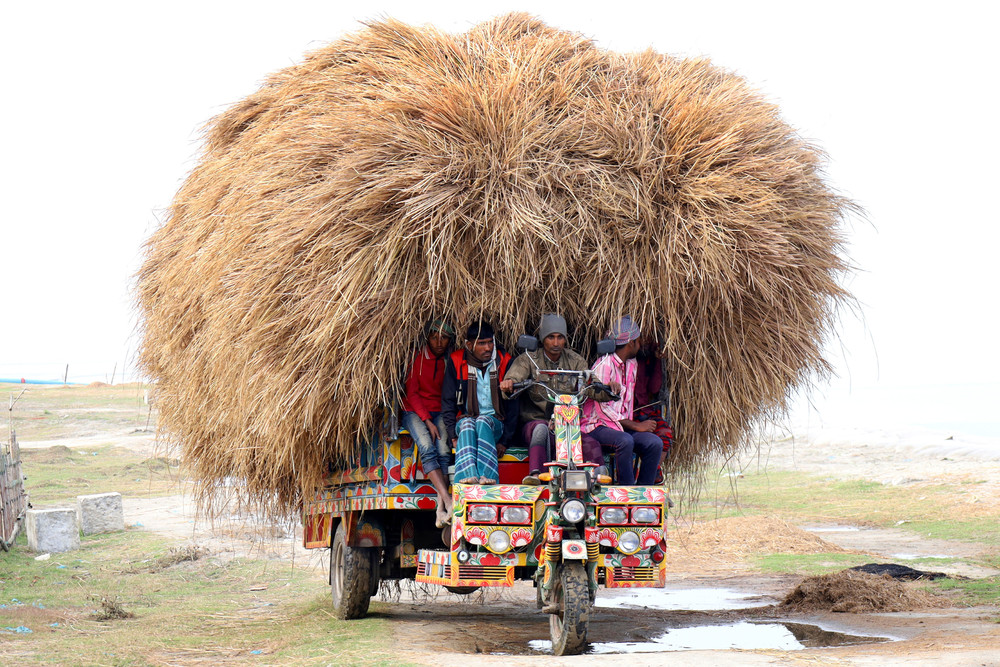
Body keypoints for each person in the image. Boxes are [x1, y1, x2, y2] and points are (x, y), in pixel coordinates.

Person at [499, 313, 609, 484]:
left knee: (591, 443)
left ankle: (599, 482)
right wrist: (509, 383)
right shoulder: (529, 359)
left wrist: (607, 388)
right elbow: (513, 379)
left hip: (567, 427)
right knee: (540, 430)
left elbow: (593, 387)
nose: (556, 343)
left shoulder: (575, 361)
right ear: (543, 339)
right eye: (551, 337)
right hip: (534, 424)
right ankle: (535, 475)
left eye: (560, 337)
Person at [580, 316, 661, 485]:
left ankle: (643, 490)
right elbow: (602, 410)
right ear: (631, 343)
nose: (640, 344)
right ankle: (626, 490)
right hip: (596, 426)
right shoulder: (604, 364)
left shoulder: (632, 364)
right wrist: (636, 426)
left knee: (654, 443)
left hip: (620, 427)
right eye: (638, 340)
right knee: (625, 440)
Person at [441, 321, 518, 484]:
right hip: (466, 422)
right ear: (469, 345)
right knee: (468, 423)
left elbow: (514, 405)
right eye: (481, 343)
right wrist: (453, 435)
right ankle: (467, 477)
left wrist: (505, 441)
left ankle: (488, 477)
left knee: (483, 420)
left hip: (495, 423)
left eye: (490, 342)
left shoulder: (504, 361)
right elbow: (448, 401)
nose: (488, 348)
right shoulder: (457, 361)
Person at [401, 319, 456, 528]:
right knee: (426, 446)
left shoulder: (449, 360)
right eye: (434, 337)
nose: (439, 342)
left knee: (444, 451)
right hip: (413, 410)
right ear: (427, 338)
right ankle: (448, 502)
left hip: (439, 410)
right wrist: (427, 420)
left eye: (444, 338)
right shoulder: (416, 358)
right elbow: (412, 393)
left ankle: (440, 510)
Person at [634, 336, 673, 483]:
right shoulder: (624, 363)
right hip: (628, 414)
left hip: (645, 411)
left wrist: (657, 361)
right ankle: (651, 472)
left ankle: (654, 469)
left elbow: (655, 388)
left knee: (665, 432)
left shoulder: (647, 361)